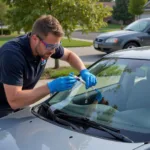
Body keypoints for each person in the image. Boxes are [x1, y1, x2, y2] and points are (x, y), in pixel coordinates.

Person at [0, 15, 97, 117]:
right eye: (51, 46)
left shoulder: (48, 45)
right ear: (34, 38)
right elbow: (14, 101)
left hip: (20, 102)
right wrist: (50, 87)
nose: (54, 51)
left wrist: (84, 71)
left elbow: (69, 55)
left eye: (57, 46)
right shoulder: (12, 54)